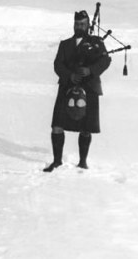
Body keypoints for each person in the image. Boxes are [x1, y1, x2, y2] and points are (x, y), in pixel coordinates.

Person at [43, 10, 112, 172]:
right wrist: (70, 75)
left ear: (88, 25)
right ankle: (57, 161)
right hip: (67, 87)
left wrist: (90, 70)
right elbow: (58, 65)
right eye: (76, 24)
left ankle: (82, 162)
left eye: (82, 24)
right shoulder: (65, 44)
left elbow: (105, 60)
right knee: (57, 126)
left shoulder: (96, 42)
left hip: (89, 88)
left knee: (86, 129)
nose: (79, 26)